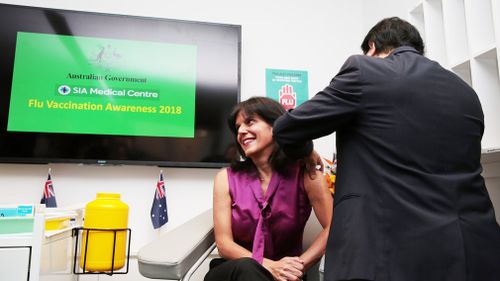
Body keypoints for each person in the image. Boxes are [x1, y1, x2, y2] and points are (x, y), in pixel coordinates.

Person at [273, 17, 500, 281]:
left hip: (387, 252)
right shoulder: (466, 93)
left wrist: (305, 151)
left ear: (372, 46)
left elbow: (287, 128)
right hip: (472, 250)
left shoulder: (364, 70)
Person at [204, 97, 333, 281]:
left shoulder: (307, 174)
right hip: (234, 271)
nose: (241, 131)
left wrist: (297, 267)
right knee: (249, 268)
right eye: (238, 127)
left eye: (250, 122)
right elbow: (224, 244)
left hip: (287, 276)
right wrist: (270, 266)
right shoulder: (226, 178)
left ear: (276, 126)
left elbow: (333, 226)